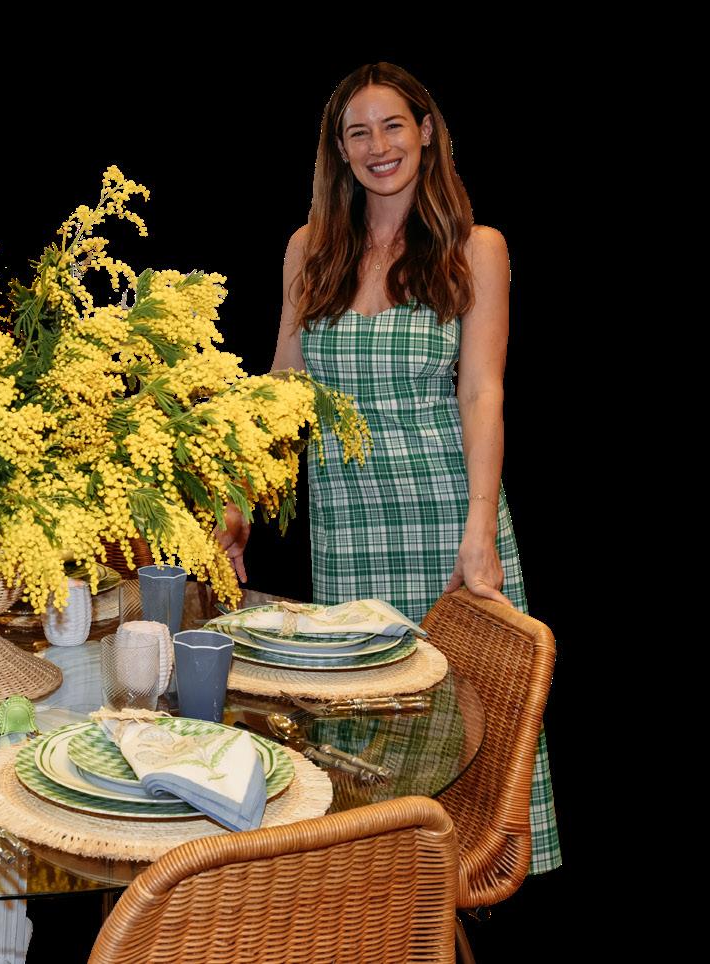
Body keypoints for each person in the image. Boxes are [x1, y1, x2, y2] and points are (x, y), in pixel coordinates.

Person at [216, 62, 561, 874]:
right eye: (357, 132)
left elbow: (481, 392)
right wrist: (239, 504)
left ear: (426, 131)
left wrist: (480, 530)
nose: (378, 146)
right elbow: (282, 392)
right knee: (364, 726)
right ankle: (375, 892)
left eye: (392, 125)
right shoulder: (309, 250)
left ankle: (444, 890)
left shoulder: (476, 249)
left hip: (446, 519)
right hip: (349, 529)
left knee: (465, 722)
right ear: (338, 150)